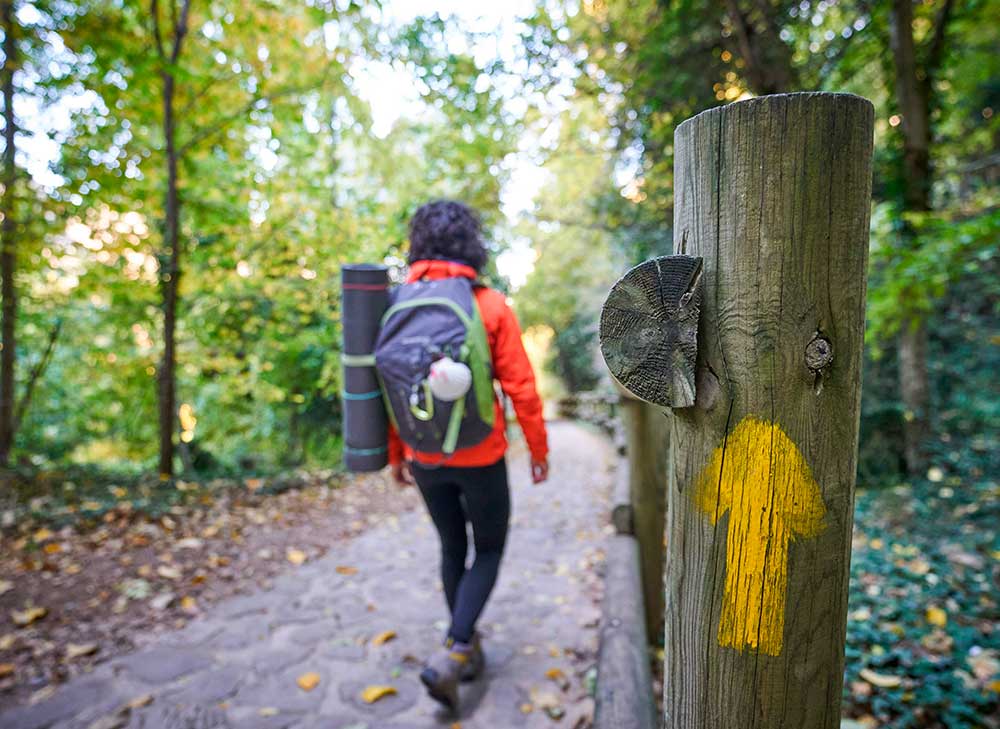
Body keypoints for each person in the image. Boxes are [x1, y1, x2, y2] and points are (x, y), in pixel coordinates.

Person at [386, 200, 549, 711]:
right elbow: (520, 385)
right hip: (481, 454)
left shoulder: (394, 304)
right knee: (491, 549)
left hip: (425, 457)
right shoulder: (490, 305)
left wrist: (398, 454)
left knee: (451, 548)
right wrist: (538, 449)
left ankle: (465, 644)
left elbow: (387, 386)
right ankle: (456, 650)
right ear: (471, 245)